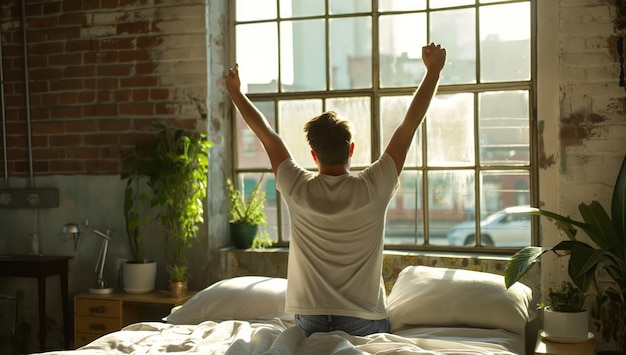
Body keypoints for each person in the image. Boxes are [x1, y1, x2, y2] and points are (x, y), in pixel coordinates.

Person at [224, 42, 446, 337]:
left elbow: (267, 135)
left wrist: (236, 93)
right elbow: (409, 125)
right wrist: (433, 72)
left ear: (313, 154)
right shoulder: (374, 186)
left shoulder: (296, 187)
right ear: (351, 149)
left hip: (310, 322)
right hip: (363, 321)